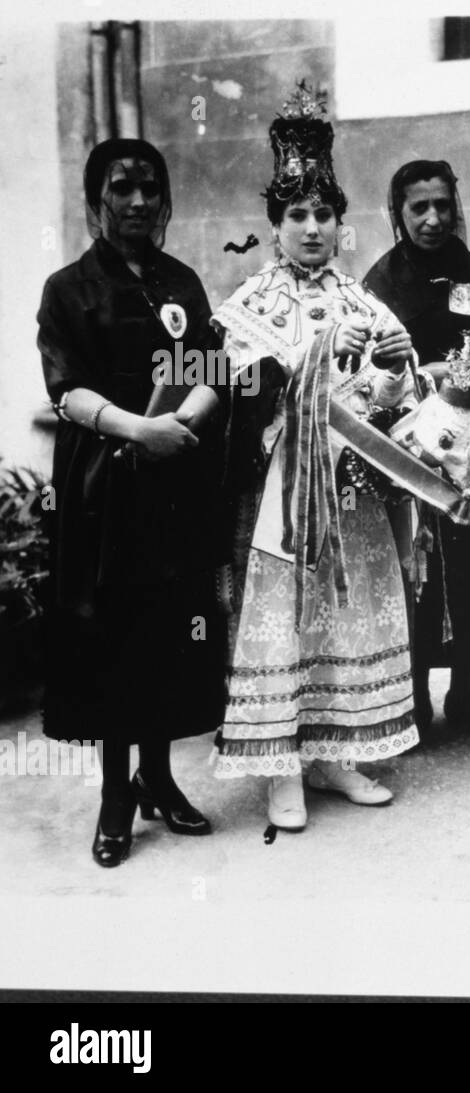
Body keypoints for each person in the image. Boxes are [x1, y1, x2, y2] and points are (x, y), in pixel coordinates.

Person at [213, 84, 421, 829]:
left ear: (341, 225)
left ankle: (336, 753)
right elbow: (240, 400)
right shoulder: (252, 302)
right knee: (286, 618)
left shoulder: (362, 300)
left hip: (353, 491)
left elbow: (394, 394)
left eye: (324, 215)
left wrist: (394, 369)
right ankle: (282, 771)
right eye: (296, 215)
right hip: (284, 497)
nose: (311, 228)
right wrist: (288, 384)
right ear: (275, 225)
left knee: (346, 616)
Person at [37, 138, 227, 866]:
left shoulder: (182, 283)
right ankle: (117, 795)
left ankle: (159, 777)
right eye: (122, 188)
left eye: (151, 187)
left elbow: (211, 365)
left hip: (174, 484)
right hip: (103, 487)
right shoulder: (69, 289)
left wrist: (190, 418)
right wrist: (138, 427)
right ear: (98, 201)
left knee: (169, 630)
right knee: (113, 635)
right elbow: (67, 390)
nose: (140, 200)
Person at [364, 160, 470, 746]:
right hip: (418, 445)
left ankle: (463, 695)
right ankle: (412, 699)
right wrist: (434, 372)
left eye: (443, 205)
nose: (434, 218)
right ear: (399, 213)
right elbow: (372, 370)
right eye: (420, 208)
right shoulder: (383, 281)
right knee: (422, 568)